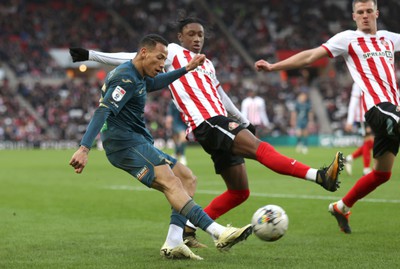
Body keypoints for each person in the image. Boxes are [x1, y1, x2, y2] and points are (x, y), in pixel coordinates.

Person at [69, 15, 344, 246]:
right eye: (191, 34)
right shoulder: (173, 53)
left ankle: (187, 230)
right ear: (181, 36)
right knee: (260, 149)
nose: (197, 38)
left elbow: (220, 94)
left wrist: (241, 120)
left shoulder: (206, 63)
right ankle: (320, 177)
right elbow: (131, 58)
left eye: (200, 34)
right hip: (207, 122)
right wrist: (91, 55)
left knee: (239, 191)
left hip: (220, 119)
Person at [69, 34, 253, 260]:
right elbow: (103, 110)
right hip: (124, 144)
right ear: (144, 53)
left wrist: (186, 69)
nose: (162, 64)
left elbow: (156, 83)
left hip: (137, 140)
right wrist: (84, 148)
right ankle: (218, 232)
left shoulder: (137, 75)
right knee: (171, 181)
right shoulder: (125, 78)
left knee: (187, 178)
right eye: (159, 58)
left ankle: (174, 242)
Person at [255, 0, 399, 234]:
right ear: (354, 16)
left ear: (377, 13)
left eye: (369, 11)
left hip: (393, 108)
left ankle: (341, 206)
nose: (364, 16)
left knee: (382, 173)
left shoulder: (389, 38)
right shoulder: (347, 39)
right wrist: (274, 67)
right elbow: (311, 56)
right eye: (360, 12)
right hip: (376, 108)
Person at [344, 82, 373, 176]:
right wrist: (349, 121)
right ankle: (366, 169)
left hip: (372, 115)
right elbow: (353, 103)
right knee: (368, 142)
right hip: (363, 118)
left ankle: (349, 159)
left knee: (371, 143)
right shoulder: (358, 84)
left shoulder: (370, 79)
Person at [165, 99, 188, 165]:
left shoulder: (186, 100)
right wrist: (168, 122)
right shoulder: (173, 102)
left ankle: (176, 154)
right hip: (176, 123)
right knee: (181, 138)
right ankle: (182, 156)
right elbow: (169, 114)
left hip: (185, 123)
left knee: (182, 139)